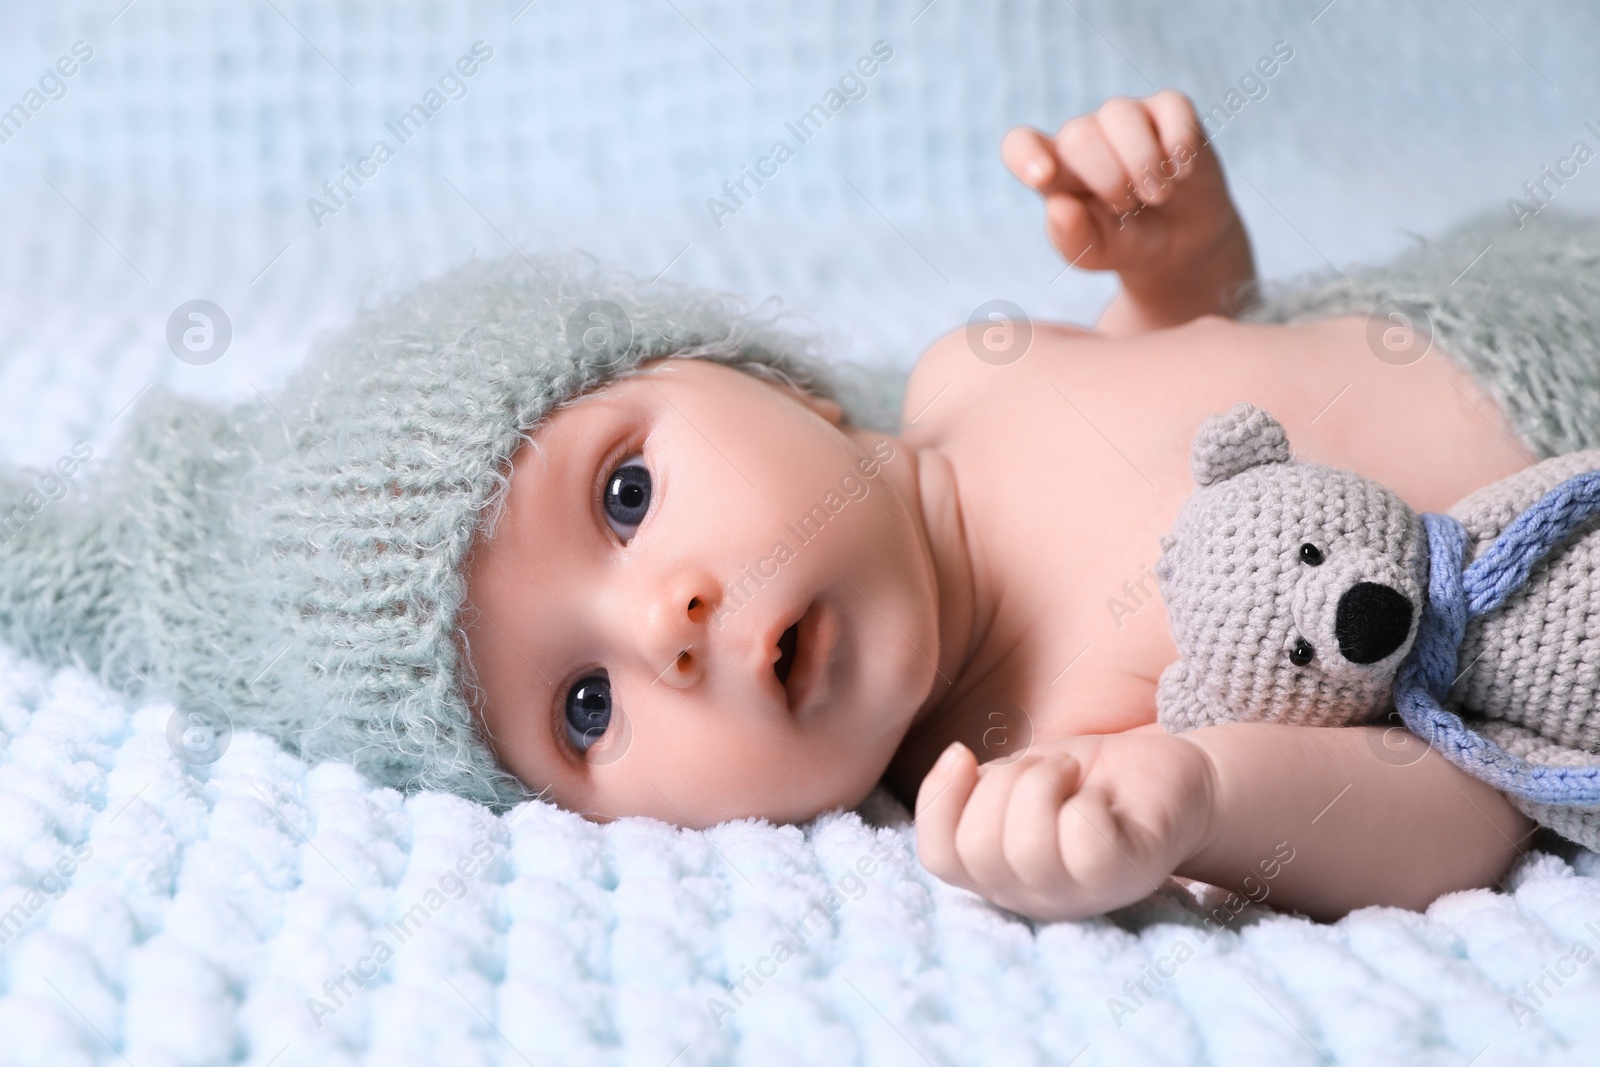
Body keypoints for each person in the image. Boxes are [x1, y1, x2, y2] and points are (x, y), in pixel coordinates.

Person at [10, 92, 1596, 922]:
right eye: (582, 709)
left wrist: (1173, 248)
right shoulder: (1044, 759)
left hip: (1509, 293)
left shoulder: (971, 375)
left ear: (753, 375)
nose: (666, 623)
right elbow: (1463, 803)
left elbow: (1231, 387)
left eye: (625, 494)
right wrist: (1197, 806)